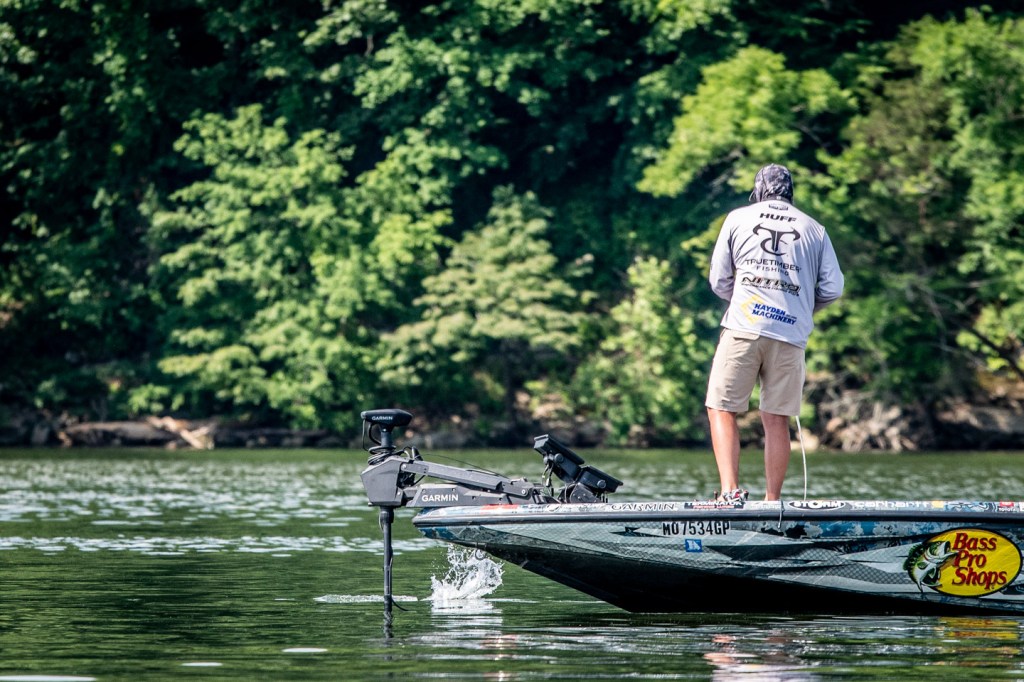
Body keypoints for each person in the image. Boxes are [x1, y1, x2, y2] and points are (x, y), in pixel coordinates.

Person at [705, 164, 844, 502]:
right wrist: (802, 309)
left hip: (744, 326)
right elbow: (833, 288)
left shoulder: (737, 218)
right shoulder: (814, 229)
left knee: (721, 408)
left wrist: (744, 300)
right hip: (790, 334)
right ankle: (772, 500)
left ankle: (730, 493)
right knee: (776, 419)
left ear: (758, 192)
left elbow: (719, 279)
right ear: (790, 193)